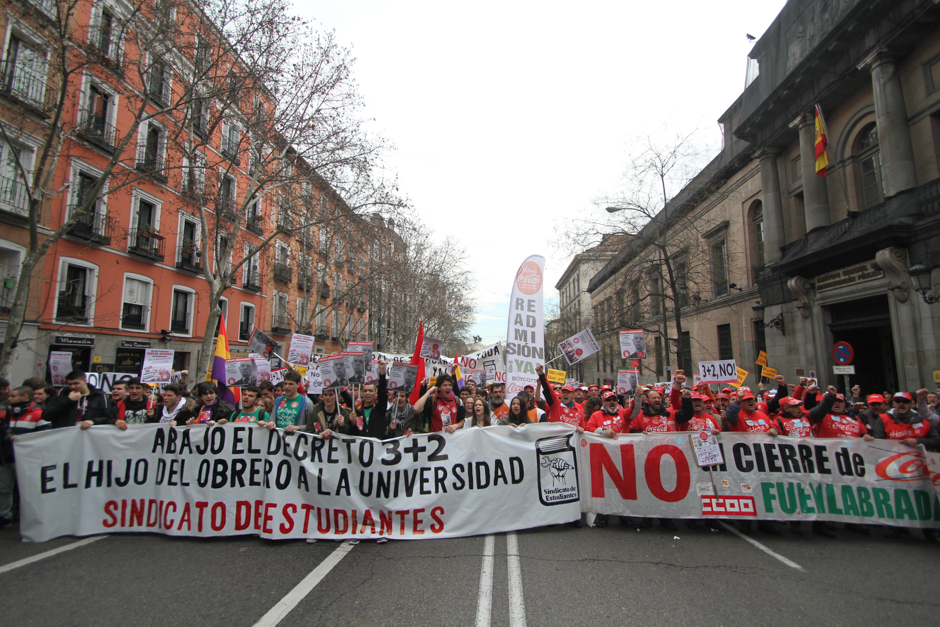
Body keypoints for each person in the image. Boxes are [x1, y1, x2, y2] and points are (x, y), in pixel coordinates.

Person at [42, 370, 109, 429]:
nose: (72, 387)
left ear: (85, 381)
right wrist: (68, 400)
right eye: (69, 384)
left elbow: (108, 417)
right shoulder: (62, 394)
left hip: (89, 436)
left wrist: (93, 421)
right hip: (66, 435)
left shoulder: (99, 396)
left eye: (76, 383)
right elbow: (46, 416)